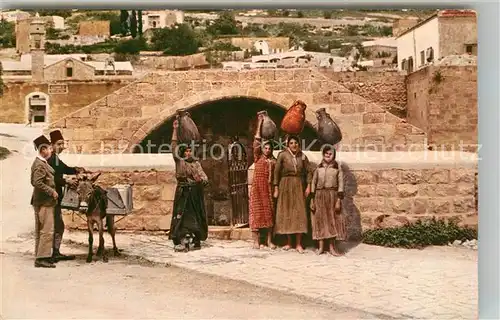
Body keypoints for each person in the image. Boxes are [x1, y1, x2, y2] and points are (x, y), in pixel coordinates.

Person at [169, 119, 209, 252]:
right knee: (181, 217)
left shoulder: (196, 164)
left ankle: (195, 240)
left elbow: (204, 178)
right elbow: (174, 147)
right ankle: (181, 240)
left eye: (189, 151)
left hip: (194, 195)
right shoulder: (179, 162)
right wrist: (175, 130)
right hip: (183, 193)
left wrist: (201, 180)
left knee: (195, 217)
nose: (188, 153)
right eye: (185, 151)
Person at [48, 130, 85, 262]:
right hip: (50, 198)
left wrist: (77, 169)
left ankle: (55, 252)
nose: (62, 146)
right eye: (59, 144)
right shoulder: (51, 159)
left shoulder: (56, 159)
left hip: (55, 198)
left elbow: (65, 169)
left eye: (63, 144)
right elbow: (51, 178)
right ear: (51, 145)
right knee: (54, 226)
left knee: (58, 225)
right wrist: (66, 181)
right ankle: (50, 254)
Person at [273, 135, 312, 253]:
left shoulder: (303, 156)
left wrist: (309, 186)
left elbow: (309, 171)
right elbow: (276, 172)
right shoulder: (282, 155)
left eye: (296, 143)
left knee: (299, 213)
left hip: (299, 185)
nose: (294, 145)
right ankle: (289, 242)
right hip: (285, 185)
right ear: (287, 144)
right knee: (287, 212)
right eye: (291, 143)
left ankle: (299, 244)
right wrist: (276, 188)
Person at [310, 146, 347, 256]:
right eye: (326, 154)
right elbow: (313, 183)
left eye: (330, 154)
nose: (328, 156)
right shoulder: (318, 169)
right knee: (320, 220)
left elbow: (341, 185)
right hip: (319, 195)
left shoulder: (337, 169)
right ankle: (321, 247)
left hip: (332, 196)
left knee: (332, 221)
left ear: (334, 155)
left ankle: (332, 247)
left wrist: (338, 200)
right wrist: (312, 199)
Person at [249, 114, 277, 249]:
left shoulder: (274, 161)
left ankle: (269, 241)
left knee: (270, 213)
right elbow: (256, 141)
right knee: (257, 213)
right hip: (257, 189)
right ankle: (256, 241)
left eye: (269, 148)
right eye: (265, 148)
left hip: (269, 189)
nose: (268, 150)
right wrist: (259, 123)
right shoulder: (257, 157)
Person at [31, 135, 58, 268]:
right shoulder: (40, 165)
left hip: (43, 201)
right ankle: (42, 258)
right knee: (47, 230)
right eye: (49, 148)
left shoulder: (42, 163)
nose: (51, 151)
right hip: (44, 202)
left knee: (42, 230)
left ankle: (40, 256)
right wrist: (51, 191)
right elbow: (36, 182)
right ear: (43, 150)